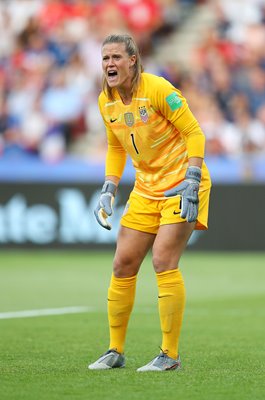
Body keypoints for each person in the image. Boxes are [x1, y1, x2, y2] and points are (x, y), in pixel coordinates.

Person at [88, 34, 211, 372]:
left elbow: (195, 133)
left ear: (133, 60)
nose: (109, 64)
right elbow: (116, 147)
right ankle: (115, 350)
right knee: (122, 264)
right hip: (145, 188)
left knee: (162, 261)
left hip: (181, 184)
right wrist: (109, 188)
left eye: (115, 57)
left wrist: (193, 179)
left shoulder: (157, 89)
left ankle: (169, 355)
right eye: (105, 59)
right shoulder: (106, 100)